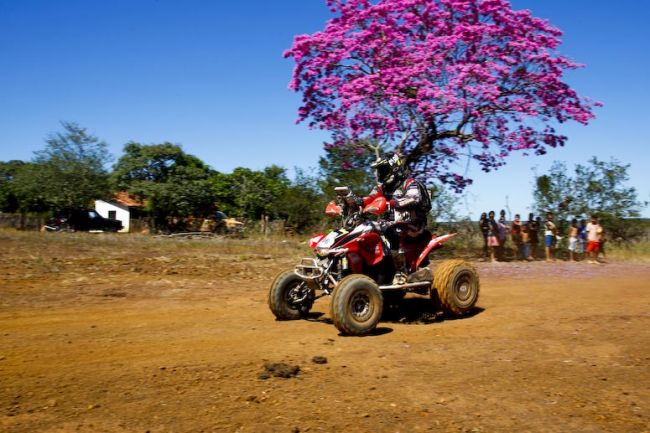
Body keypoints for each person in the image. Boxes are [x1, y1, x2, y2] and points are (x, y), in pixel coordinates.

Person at [363, 153, 432, 271]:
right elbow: (368, 199)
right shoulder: (382, 188)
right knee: (364, 230)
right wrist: (354, 202)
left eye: (383, 169)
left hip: (412, 224)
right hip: (389, 223)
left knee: (391, 232)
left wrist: (392, 203)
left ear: (393, 168)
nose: (380, 173)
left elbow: (414, 198)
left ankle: (399, 272)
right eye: (379, 170)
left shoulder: (409, 183)